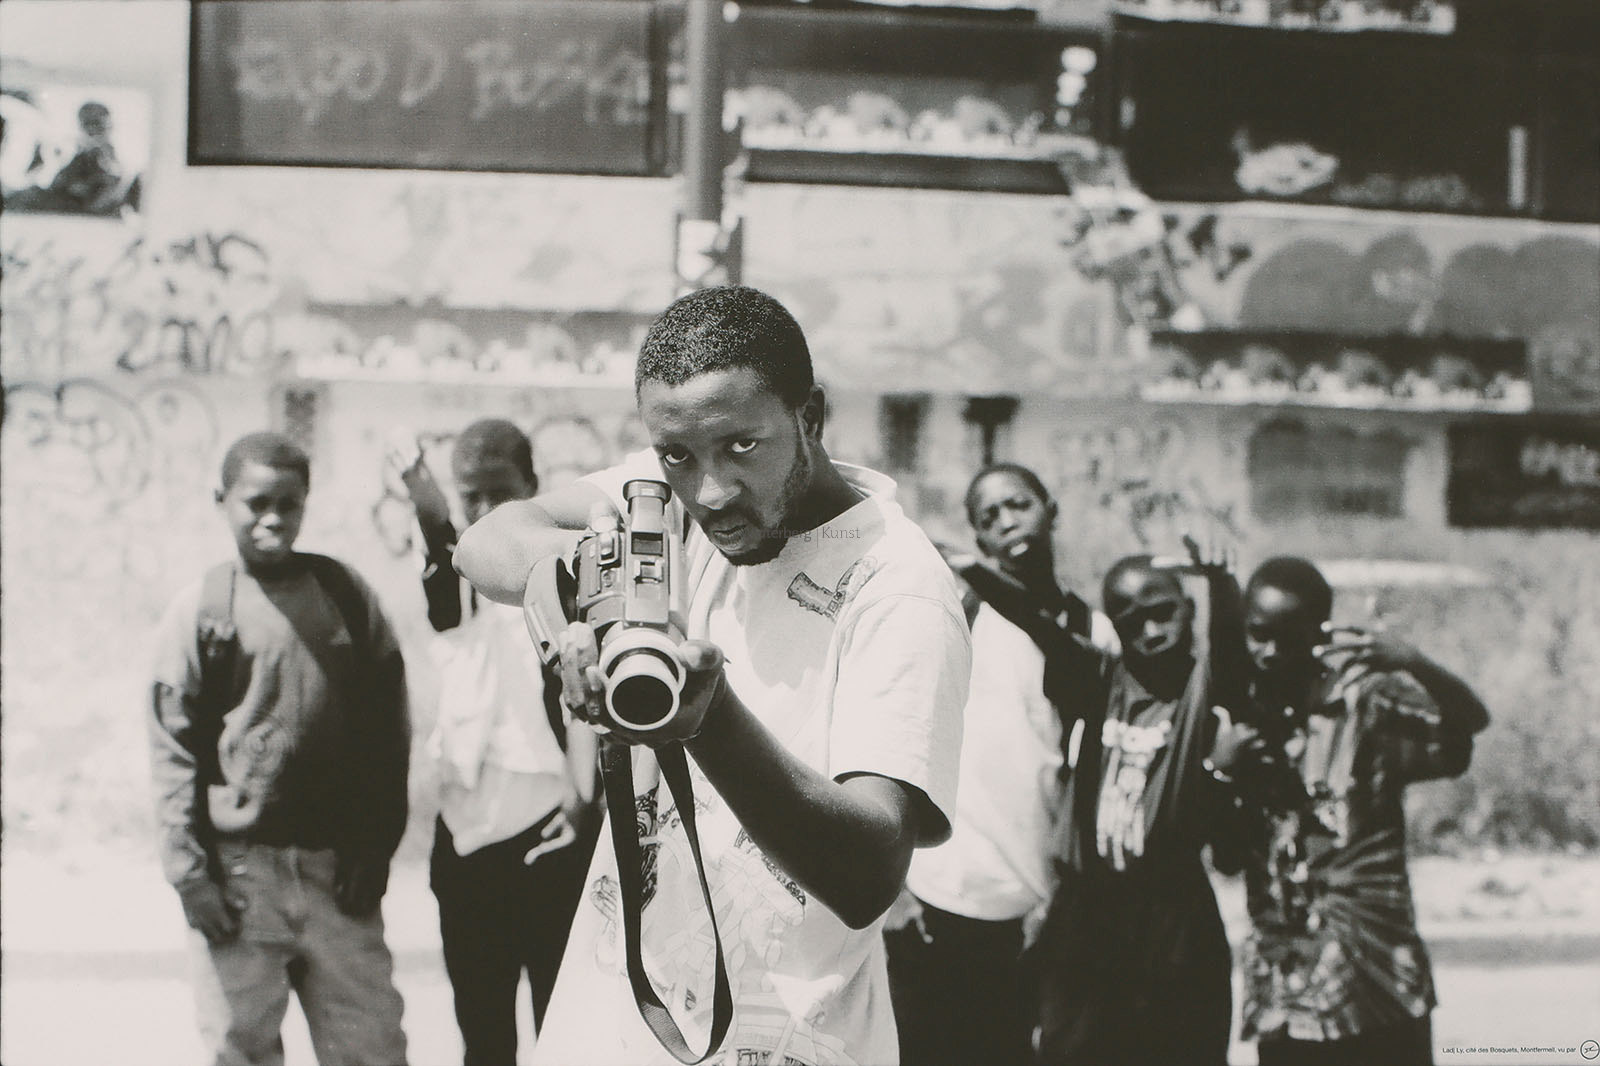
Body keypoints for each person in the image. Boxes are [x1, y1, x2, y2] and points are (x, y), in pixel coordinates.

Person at [453, 285, 970, 1066]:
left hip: (787, 1043)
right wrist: (589, 586)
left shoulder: (896, 585)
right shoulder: (665, 501)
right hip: (613, 1028)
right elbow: (486, 540)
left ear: (810, 417)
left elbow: (870, 873)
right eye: (678, 457)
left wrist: (706, 720)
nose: (712, 492)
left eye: (743, 448)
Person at [147, 431, 410, 1066]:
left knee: (370, 1046)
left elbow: (387, 734)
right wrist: (190, 877)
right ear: (222, 499)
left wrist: (374, 848)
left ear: (305, 504)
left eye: (287, 505)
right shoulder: (204, 611)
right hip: (239, 879)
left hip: (336, 874)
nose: (272, 519)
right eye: (256, 503)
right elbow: (171, 749)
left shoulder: (347, 598)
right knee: (240, 1047)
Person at [1210, 556, 1490, 1066]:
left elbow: (1468, 726)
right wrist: (1224, 771)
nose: (1270, 652)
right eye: (1258, 635)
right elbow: (1227, 857)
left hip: (1376, 973)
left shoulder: (1365, 703)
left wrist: (1413, 662)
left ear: (1319, 633)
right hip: (1288, 983)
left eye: (1289, 638)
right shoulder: (1239, 724)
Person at [884, 462, 1115, 1066]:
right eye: (989, 517)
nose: (1008, 522)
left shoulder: (1092, 631)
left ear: (1051, 508)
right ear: (979, 538)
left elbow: (1091, 780)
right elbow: (901, 738)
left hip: (1030, 911)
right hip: (934, 902)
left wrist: (1064, 903)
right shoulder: (961, 619)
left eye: (1018, 504)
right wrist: (897, 893)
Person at [391, 418, 600, 1065]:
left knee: (560, 1029)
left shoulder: (561, 581)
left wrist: (583, 802)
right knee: (484, 1037)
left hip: (550, 837)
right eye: (469, 497)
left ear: (533, 490)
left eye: (500, 495)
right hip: (468, 844)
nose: (483, 513)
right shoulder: (457, 588)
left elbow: (584, 699)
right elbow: (437, 533)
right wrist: (419, 485)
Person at [1031, 542, 1246, 1066]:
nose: (1150, 633)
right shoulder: (1101, 679)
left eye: (1163, 614)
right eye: (1132, 624)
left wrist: (1220, 584)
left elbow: (1230, 650)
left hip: (1172, 919)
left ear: (1188, 609)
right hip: (1088, 914)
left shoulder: (1202, 691)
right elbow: (1035, 622)